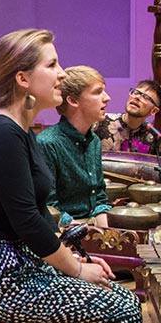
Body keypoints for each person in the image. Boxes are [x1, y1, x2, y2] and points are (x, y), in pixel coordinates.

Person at [0, 29, 142, 323]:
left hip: (25, 264)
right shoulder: (1, 132)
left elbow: (39, 214)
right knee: (125, 315)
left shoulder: (21, 130)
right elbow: (26, 219)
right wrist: (77, 270)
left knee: (124, 297)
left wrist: (77, 259)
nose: (62, 74)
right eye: (52, 65)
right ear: (23, 78)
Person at [37, 66, 113, 228]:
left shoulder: (94, 141)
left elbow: (98, 197)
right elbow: (47, 207)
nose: (107, 98)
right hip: (61, 232)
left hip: (89, 228)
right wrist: (84, 232)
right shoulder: (47, 143)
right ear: (73, 101)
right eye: (98, 92)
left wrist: (106, 234)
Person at [94, 80, 161, 155]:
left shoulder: (154, 139)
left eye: (146, 97)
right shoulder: (100, 122)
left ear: (154, 111)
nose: (137, 97)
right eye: (136, 92)